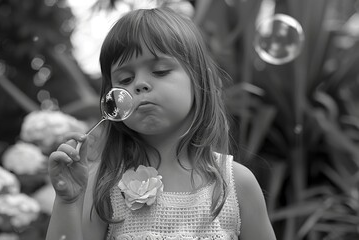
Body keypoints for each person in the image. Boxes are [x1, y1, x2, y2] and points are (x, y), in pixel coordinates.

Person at [46, 7, 276, 240]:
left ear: (198, 81)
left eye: (160, 71)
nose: (140, 84)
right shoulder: (103, 185)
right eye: (125, 79)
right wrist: (68, 201)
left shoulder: (237, 183)